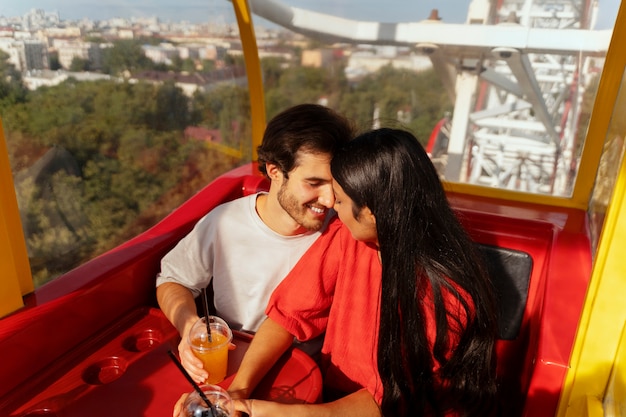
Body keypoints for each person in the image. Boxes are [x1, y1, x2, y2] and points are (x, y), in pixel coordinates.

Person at [224, 128, 499, 417]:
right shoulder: (347, 239)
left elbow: (388, 399)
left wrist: (261, 409)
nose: (331, 204)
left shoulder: (446, 290)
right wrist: (237, 392)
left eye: (340, 201)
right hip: (335, 400)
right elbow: (288, 315)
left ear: (371, 211)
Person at [156, 103, 354, 384]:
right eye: (314, 183)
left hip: (301, 374)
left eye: (335, 186)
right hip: (229, 364)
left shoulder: (344, 231)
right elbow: (173, 279)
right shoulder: (225, 223)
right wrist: (189, 326)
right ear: (274, 171)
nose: (329, 200)